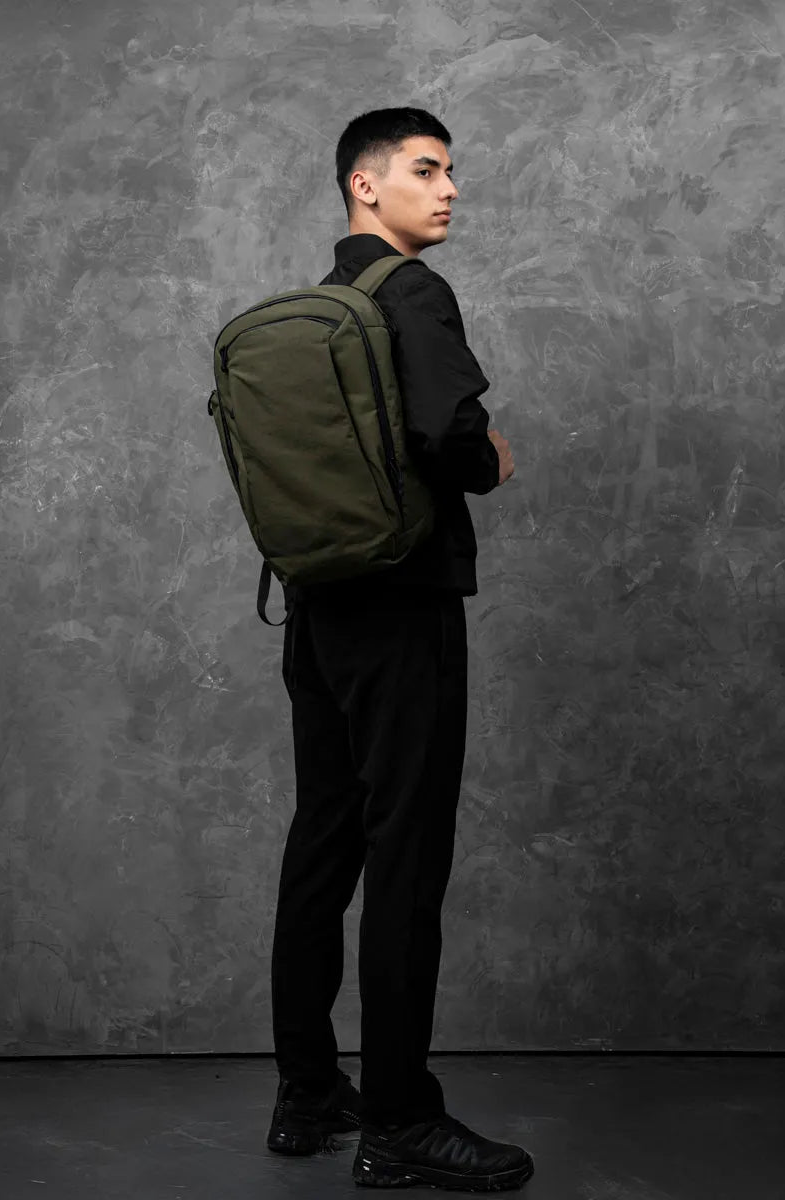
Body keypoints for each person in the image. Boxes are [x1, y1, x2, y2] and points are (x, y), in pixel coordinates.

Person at [266, 106, 534, 1192]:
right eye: (427, 169)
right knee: (406, 858)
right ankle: (400, 1120)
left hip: (317, 607)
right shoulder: (412, 293)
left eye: (452, 170)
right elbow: (448, 437)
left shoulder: (314, 309)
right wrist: (491, 458)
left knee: (321, 846)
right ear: (364, 186)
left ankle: (306, 1094)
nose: (451, 188)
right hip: (402, 609)